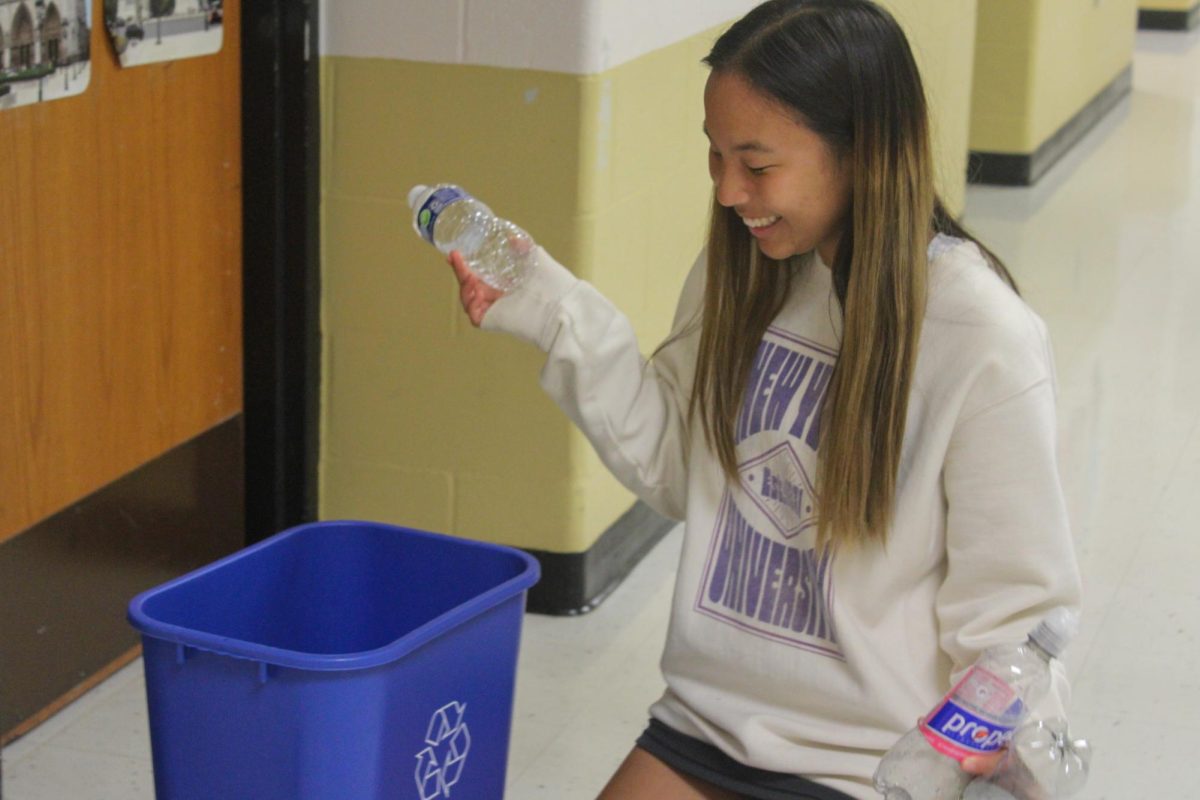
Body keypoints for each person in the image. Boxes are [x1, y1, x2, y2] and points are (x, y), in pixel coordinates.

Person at [443, 1, 1082, 798]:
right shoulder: (746, 272)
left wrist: (982, 746)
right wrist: (554, 308)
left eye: (756, 162)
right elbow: (680, 464)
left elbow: (1018, 613)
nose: (727, 192)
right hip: (709, 723)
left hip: (871, 761)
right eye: (714, 157)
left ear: (862, 150)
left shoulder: (980, 334)